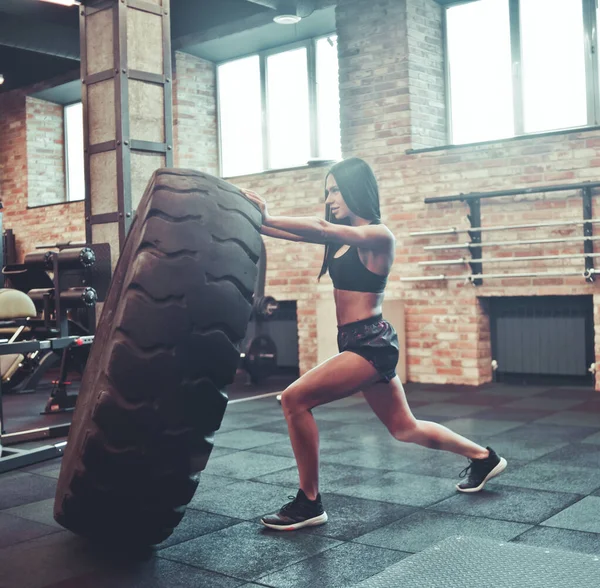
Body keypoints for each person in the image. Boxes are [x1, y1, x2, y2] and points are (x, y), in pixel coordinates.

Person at [241, 157, 507, 532]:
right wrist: (255, 220)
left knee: (294, 399)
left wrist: (269, 213)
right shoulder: (341, 238)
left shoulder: (379, 236)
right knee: (405, 427)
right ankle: (484, 457)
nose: (330, 197)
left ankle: (309, 502)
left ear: (355, 189)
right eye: (327, 190)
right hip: (357, 342)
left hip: (370, 344)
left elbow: (318, 227)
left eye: (335, 189)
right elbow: (304, 233)